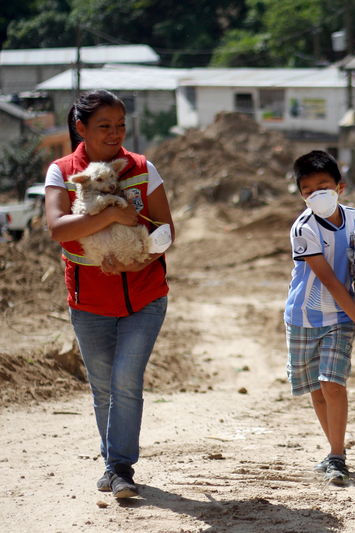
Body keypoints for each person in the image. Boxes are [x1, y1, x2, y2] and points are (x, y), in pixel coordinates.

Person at [44, 90, 175, 499]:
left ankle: (120, 468)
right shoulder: (62, 172)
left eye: (120, 125)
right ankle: (112, 463)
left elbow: (166, 231)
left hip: (145, 294)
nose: (115, 133)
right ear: (80, 128)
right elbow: (59, 228)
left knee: (125, 379)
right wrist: (110, 213)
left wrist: (140, 259)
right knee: (103, 387)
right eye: (104, 126)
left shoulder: (141, 168)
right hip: (88, 301)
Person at [284, 150, 355, 485]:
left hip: (341, 317)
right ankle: (333, 451)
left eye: (323, 185)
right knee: (316, 389)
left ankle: (338, 456)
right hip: (304, 316)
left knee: (332, 384)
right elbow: (330, 281)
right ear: (301, 194)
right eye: (308, 190)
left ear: (340, 186)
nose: (316, 193)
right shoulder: (303, 228)